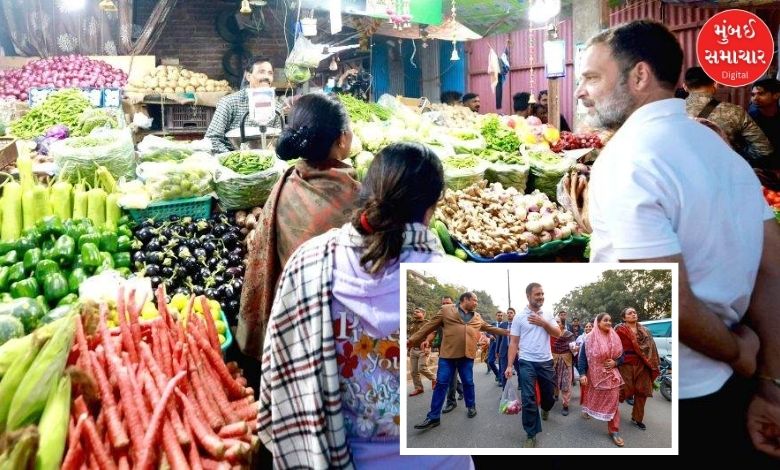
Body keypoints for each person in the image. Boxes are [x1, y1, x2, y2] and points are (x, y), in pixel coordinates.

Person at [576, 19, 780, 461]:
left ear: (640, 75)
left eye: (592, 77)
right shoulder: (725, 156)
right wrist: (769, 383)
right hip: (732, 388)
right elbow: (771, 270)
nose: (581, 92)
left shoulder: (627, 159)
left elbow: (665, 295)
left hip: (676, 397)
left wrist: (741, 355)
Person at [259, 142, 473, 468]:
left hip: (342, 458)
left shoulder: (308, 264)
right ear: (431, 208)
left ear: (367, 192)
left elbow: (279, 376)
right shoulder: (452, 277)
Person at [237, 93, 361, 361]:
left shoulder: (288, 182)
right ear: (341, 139)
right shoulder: (355, 198)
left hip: (287, 317)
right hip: (332, 335)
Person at [410, 292, 508, 430]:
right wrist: (412, 340)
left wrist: (509, 332)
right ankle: (433, 417)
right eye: (474, 300)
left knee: (468, 382)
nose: (476, 303)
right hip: (447, 356)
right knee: (441, 384)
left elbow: (491, 328)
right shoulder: (446, 310)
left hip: (466, 357)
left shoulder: (477, 316)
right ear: (465, 300)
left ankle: (471, 406)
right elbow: (428, 327)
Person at [504, 283, 562, 448]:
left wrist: (543, 322)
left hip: (545, 361)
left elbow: (557, 333)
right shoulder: (519, 317)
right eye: (537, 294)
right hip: (526, 361)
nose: (541, 297)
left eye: (542, 294)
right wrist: (509, 366)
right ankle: (531, 434)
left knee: (549, 395)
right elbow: (514, 342)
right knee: (528, 398)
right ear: (528, 296)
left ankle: (546, 407)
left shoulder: (548, 314)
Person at [682, 66, 773, 166]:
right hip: (723, 173)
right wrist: (736, 153)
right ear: (715, 85)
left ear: (685, 86)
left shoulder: (671, 111)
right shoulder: (735, 111)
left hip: (682, 175)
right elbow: (763, 149)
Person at [205, 56, 284, 154]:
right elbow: (211, 139)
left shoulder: (276, 107)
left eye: (270, 73)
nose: (267, 77)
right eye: (261, 72)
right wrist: (234, 158)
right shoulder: (229, 102)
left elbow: (278, 140)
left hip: (266, 161)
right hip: (233, 161)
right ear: (248, 76)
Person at [577, 313, 625, 447]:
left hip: (612, 375)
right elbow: (582, 358)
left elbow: (622, 356)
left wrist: (615, 363)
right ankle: (587, 410)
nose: (609, 323)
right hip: (594, 376)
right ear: (598, 323)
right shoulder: (589, 339)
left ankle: (614, 431)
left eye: (610, 320)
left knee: (614, 403)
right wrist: (582, 374)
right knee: (592, 398)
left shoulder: (615, 337)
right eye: (605, 320)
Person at [615, 307, 660, 431]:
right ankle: (611, 414)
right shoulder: (619, 330)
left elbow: (652, 348)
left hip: (643, 365)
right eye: (630, 313)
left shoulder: (645, 331)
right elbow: (614, 347)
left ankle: (637, 418)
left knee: (642, 392)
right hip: (625, 365)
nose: (633, 314)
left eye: (634, 312)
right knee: (622, 391)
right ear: (624, 318)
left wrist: (654, 363)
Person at [749, 78, 780, 168]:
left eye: (761, 94)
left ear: (776, 95)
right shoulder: (748, 119)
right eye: (753, 94)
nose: (755, 98)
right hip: (756, 169)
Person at [408, 307, 436, 397]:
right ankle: (419, 388)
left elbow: (432, 334)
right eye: (414, 311)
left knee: (422, 368)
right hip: (413, 349)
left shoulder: (427, 323)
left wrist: (428, 346)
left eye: (417, 312)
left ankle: (435, 378)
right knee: (413, 371)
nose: (415, 313)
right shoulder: (412, 324)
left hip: (423, 349)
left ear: (423, 314)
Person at [551, 317, 576, 416]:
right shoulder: (551, 334)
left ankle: (565, 405)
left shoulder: (569, 335)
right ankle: (556, 395)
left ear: (562, 324)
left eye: (557, 322)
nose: (555, 324)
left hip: (566, 361)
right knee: (554, 380)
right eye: (554, 322)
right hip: (554, 360)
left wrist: (575, 348)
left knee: (566, 383)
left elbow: (574, 348)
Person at [497, 307, 521, 389]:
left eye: (511, 312)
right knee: (504, 371)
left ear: (514, 314)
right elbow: (498, 339)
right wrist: (497, 351)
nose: (509, 314)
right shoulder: (502, 325)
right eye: (508, 313)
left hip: (516, 352)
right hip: (504, 352)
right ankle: (505, 392)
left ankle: (520, 384)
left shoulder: (518, 325)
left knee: (519, 370)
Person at [575, 321, 593, 415]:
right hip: (582, 364)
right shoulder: (580, 338)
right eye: (587, 326)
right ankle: (585, 408)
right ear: (584, 328)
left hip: (594, 366)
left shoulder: (596, 338)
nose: (588, 328)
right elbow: (574, 350)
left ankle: (593, 407)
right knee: (585, 387)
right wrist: (575, 349)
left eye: (590, 326)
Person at [486, 311, 504, 382]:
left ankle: (500, 380)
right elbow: (486, 332)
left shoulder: (505, 325)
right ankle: (498, 375)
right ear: (496, 316)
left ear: (502, 317)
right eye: (498, 315)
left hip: (501, 346)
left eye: (501, 315)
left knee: (500, 363)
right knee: (490, 361)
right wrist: (490, 335)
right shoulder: (492, 324)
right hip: (493, 345)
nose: (500, 316)